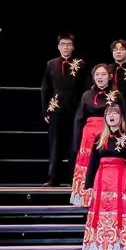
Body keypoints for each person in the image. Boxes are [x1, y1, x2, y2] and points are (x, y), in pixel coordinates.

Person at [82, 101, 126, 250]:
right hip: (102, 181)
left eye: (115, 114)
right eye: (109, 114)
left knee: (118, 214)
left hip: (120, 179)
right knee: (102, 215)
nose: (111, 116)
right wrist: (88, 185)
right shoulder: (100, 138)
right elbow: (92, 163)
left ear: (121, 118)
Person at [70, 62, 122, 206]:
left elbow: (123, 118)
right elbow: (79, 119)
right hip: (88, 137)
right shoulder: (86, 95)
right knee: (88, 165)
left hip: (108, 134)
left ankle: (105, 198)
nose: (100, 77)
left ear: (109, 77)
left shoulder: (116, 95)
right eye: (97, 74)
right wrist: (76, 144)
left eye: (103, 74)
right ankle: (85, 198)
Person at [41, 33, 86, 185]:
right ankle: (53, 178)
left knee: (74, 145)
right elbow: (45, 89)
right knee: (55, 145)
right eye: (63, 44)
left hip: (75, 111)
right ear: (58, 46)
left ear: (73, 47)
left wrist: (83, 110)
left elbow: (84, 88)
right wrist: (46, 110)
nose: (65, 47)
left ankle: (74, 179)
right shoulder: (51, 64)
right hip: (56, 110)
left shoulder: (80, 64)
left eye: (68, 44)